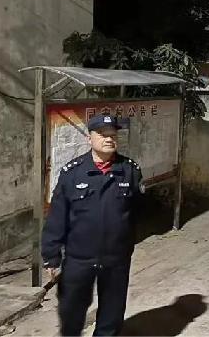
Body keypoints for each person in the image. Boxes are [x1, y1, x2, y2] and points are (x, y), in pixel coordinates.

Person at [42, 114, 144, 336]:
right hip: (79, 258)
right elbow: (57, 215)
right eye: (103, 134)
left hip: (115, 257)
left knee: (112, 313)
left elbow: (136, 211)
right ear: (89, 138)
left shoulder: (129, 170)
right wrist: (51, 255)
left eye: (113, 135)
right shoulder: (72, 173)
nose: (109, 139)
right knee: (71, 311)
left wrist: (126, 243)